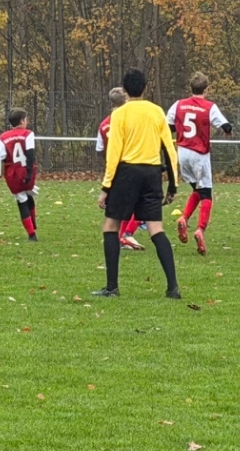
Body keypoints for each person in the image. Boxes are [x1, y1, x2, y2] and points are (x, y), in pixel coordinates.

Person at [93, 68, 181, 299]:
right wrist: (173, 185)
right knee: (156, 229)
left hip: (127, 173)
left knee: (110, 226)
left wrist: (105, 188)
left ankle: (112, 287)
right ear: (145, 88)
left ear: (124, 90)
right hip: (152, 174)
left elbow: (114, 154)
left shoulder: (119, 115)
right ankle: (173, 287)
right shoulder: (157, 111)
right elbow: (169, 149)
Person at [168, 72, 231, 255]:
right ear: (207, 89)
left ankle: (184, 218)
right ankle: (200, 230)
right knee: (207, 195)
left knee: (197, 190)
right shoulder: (209, 107)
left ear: (191, 87)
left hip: (182, 152)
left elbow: (169, 125)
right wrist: (228, 130)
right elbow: (225, 125)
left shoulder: (178, 104)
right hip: (199, 154)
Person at [96, 87, 143, 250]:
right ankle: (125, 235)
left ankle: (116, 236)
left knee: (119, 205)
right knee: (143, 203)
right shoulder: (130, 120)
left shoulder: (104, 125)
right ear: (126, 100)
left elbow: (100, 149)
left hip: (114, 169)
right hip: (132, 166)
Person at [0, 108, 38, 241]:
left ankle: (31, 233)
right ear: (22, 121)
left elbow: (1, 155)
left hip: (13, 172)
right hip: (26, 169)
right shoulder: (28, 134)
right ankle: (33, 228)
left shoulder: (3, 137)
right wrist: (29, 172)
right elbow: (30, 154)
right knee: (28, 195)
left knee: (22, 199)